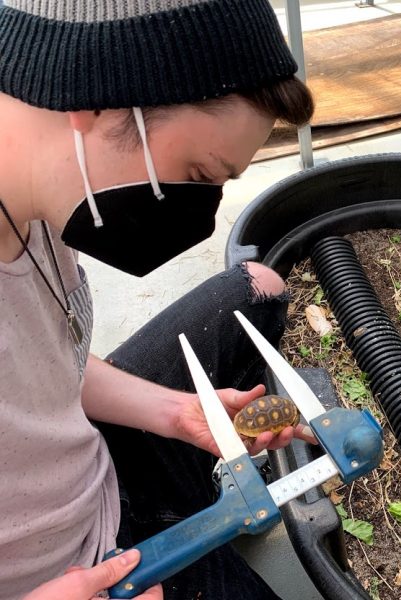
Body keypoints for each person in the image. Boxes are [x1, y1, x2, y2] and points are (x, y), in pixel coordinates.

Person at [0, 1, 317, 598]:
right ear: (95, 101)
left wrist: (176, 413)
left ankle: (178, 491)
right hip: (72, 576)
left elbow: (39, 367)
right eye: (199, 175)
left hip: (90, 482)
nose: (203, 210)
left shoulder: (35, 194)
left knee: (259, 289)